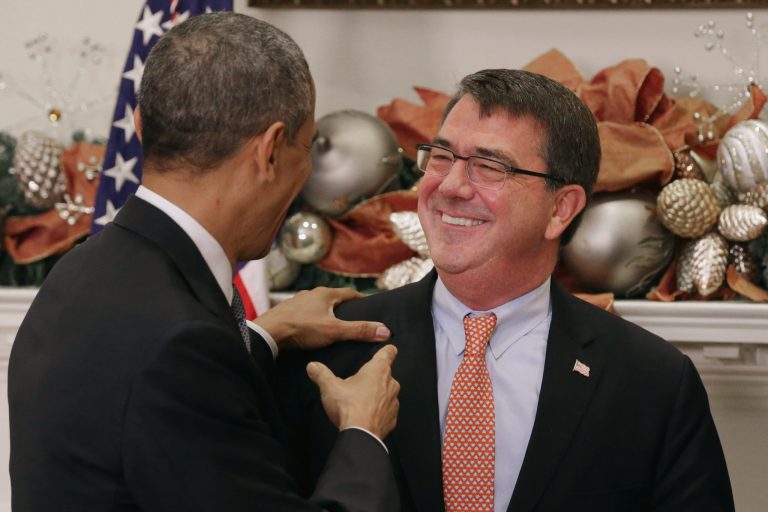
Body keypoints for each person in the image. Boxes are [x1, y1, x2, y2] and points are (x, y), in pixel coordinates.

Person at [279, 69, 735, 512]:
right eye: (441, 157)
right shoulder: (331, 358)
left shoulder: (652, 381)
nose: (451, 186)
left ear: (561, 208)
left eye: (488, 166)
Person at [8, 13, 401, 512]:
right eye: (307, 148)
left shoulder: (83, 269)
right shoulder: (177, 343)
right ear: (271, 150)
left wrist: (262, 336)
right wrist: (363, 431)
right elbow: (167, 373)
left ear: (140, 124)